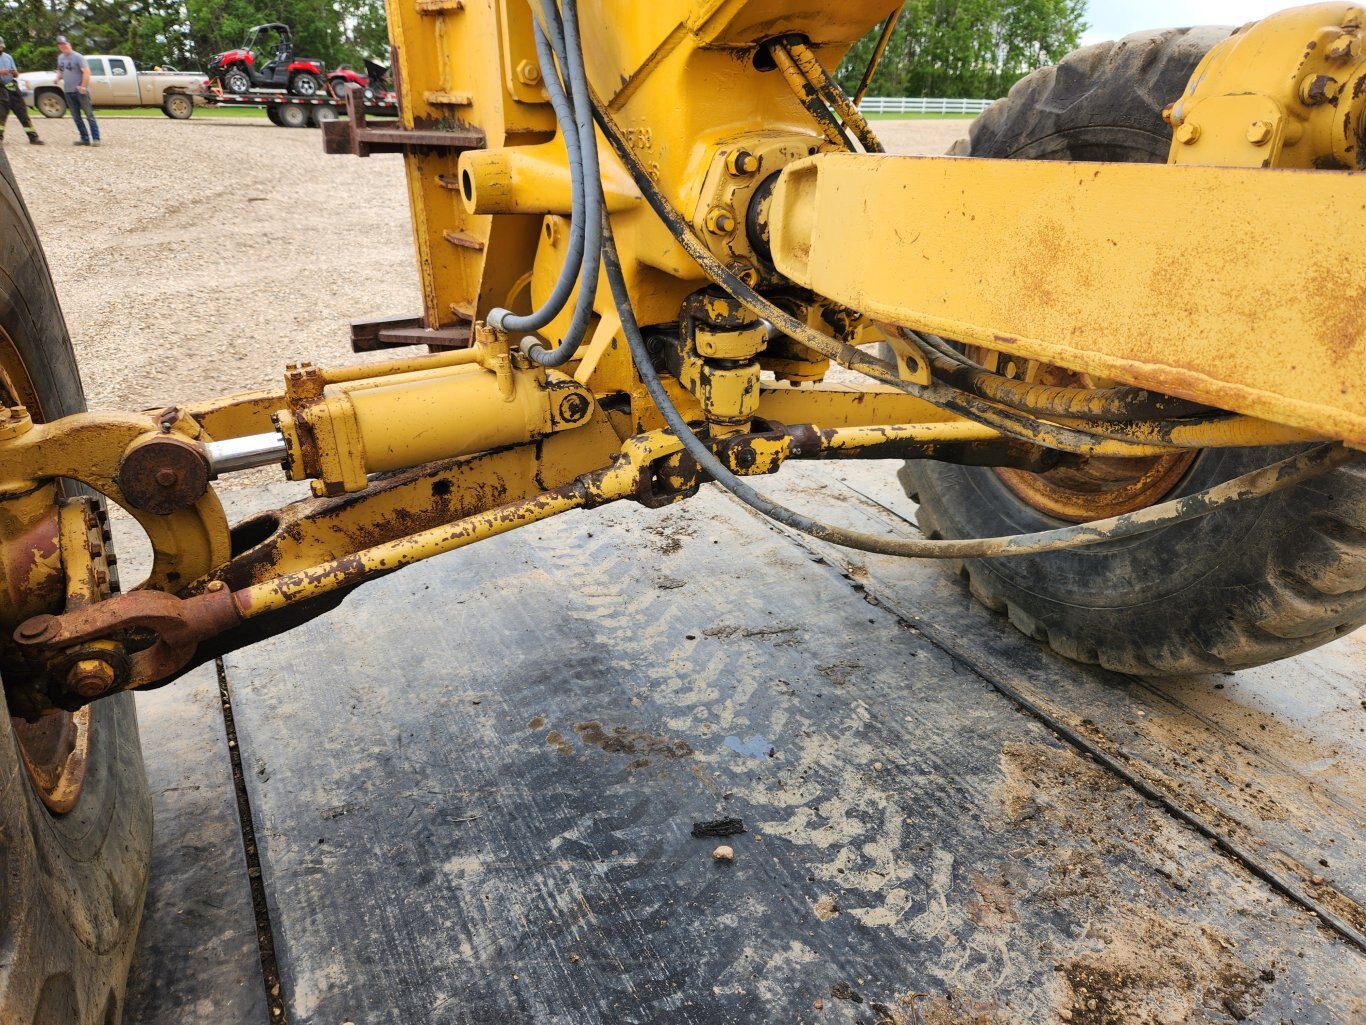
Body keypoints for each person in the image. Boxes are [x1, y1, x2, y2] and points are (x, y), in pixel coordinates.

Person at [55, 36, 99, 147]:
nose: (63, 46)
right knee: (76, 117)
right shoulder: (60, 58)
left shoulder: (78, 57)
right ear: (59, 47)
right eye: (61, 45)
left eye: (65, 44)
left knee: (89, 115)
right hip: (68, 91)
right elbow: (61, 71)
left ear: (69, 44)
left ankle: (96, 138)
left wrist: (83, 87)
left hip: (80, 91)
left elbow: (86, 72)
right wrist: (57, 78)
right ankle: (84, 138)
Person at [0, 37, 42, 145]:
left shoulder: (8, 57)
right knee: (1, 113)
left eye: (1, 46)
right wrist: (1, 72)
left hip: (12, 87)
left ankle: (33, 137)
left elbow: (17, 73)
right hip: (0, 89)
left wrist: (14, 73)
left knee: (22, 111)